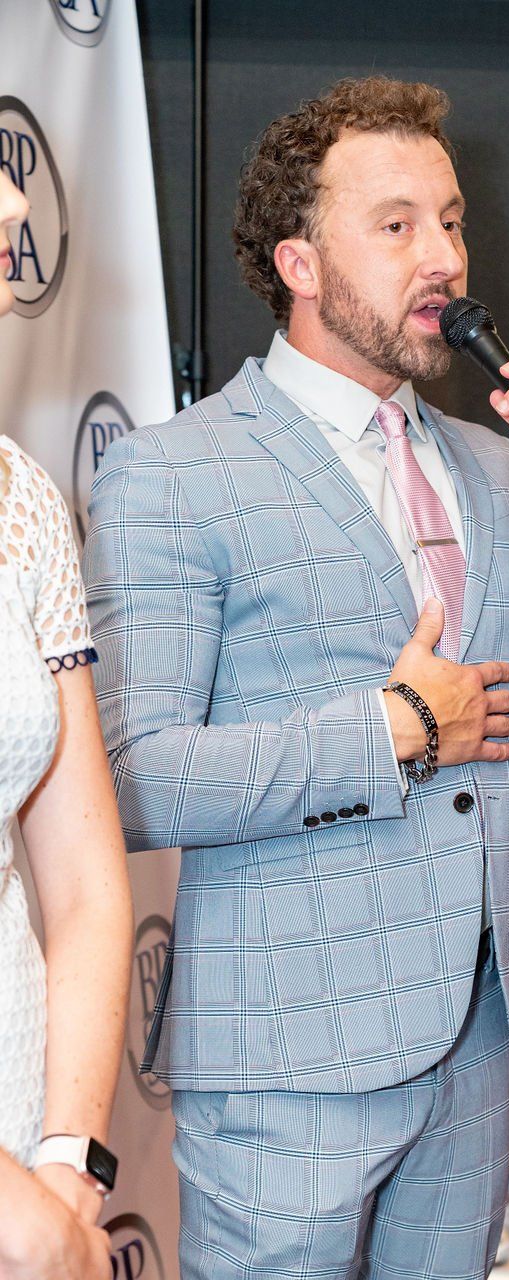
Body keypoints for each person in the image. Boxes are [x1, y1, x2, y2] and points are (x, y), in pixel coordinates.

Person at [82, 76, 509, 1279]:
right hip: (285, 1058)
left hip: (475, 1039)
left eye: (450, 220)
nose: (442, 255)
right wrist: (392, 728)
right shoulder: (173, 473)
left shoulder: (498, 469)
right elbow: (133, 778)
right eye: (396, 224)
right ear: (300, 263)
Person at [0, 172, 133, 1278]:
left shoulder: (24, 500)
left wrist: (64, 1159)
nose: (13, 203)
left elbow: (84, 878)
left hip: (21, 1081)